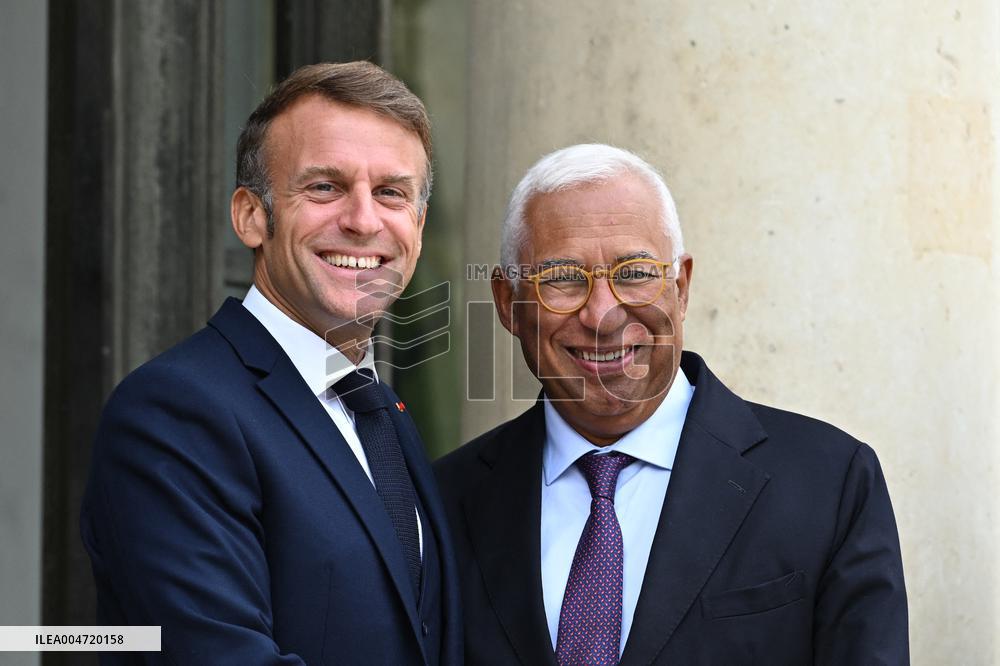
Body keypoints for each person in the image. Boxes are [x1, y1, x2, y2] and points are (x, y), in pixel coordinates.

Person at [434, 143, 908, 665]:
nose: (602, 314)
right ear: (508, 304)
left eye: (634, 273)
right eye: (563, 279)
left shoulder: (830, 481)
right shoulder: (442, 502)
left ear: (680, 288)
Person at [81, 61, 461, 665]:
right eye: (325, 187)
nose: (364, 220)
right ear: (251, 216)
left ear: (417, 224)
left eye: (391, 193)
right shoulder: (174, 413)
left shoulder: (377, 410)